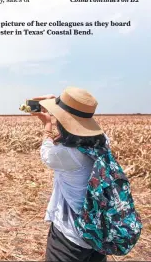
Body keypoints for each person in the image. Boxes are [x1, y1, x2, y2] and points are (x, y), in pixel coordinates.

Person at [31, 87, 108, 262]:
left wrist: (47, 124)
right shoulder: (103, 142)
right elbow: (76, 130)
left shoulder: (66, 154)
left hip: (71, 236)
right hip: (99, 228)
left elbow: (46, 151)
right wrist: (57, 104)